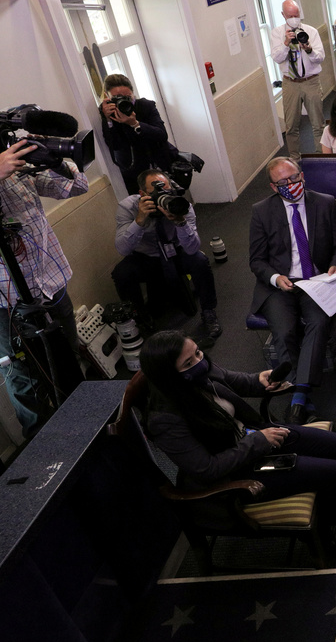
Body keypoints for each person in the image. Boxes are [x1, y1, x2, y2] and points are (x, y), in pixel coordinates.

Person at [140, 331, 336, 549]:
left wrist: (260, 380)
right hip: (236, 473)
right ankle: (325, 530)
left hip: (253, 436)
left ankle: (332, 507)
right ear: (169, 375)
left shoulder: (198, 371)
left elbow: (232, 380)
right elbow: (208, 469)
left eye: (198, 352)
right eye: (188, 362)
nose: (200, 363)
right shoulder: (165, 421)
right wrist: (258, 441)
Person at [248, 158, 336, 422]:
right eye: (283, 182)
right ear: (274, 187)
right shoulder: (261, 211)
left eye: (294, 178)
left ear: (302, 176)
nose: (291, 184)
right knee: (284, 331)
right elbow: (256, 260)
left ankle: (299, 396)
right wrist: (275, 278)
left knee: (318, 322)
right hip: (280, 284)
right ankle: (303, 398)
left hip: (316, 281)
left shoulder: (325, 203)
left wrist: (335, 265)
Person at [0, 140, 88, 437]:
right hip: (6, 302)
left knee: (68, 356)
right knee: (23, 378)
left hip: (49, 282)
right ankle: (45, 443)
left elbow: (77, 186)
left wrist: (54, 158)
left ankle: (87, 425)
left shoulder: (17, 164)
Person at [113, 169, 221, 339]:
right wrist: (139, 221)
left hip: (176, 252)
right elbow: (122, 249)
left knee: (200, 261)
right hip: (147, 257)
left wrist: (180, 222)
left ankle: (209, 311)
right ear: (142, 194)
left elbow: (192, 248)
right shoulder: (128, 207)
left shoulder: (181, 205)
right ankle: (141, 320)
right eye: (156, 192)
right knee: (122, 273)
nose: (163, 195)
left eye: (166, 190)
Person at [98, 73, 175, 195]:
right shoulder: (108, 113)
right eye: (117, 97)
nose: (123, 100)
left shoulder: (145, 106)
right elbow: (115, 145)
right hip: (133, 172)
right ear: (107, 96)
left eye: (127, 97)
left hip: (158, 164)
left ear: (133, 93)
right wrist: (108, 120)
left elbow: (161, 135)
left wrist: (135, 124)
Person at [270, 0, 325, 161]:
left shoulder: (311, 32)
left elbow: (320, 57)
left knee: (318, 123)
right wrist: (286, 43)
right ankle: (294, 157)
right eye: (290, 16)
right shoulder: (277, 34)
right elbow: (277, 58)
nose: (294, 19)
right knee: (291, 125)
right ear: (283, 15)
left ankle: (322, 156)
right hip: (290, 83)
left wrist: (309, 49)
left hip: (311, 81)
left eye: (296, 15)